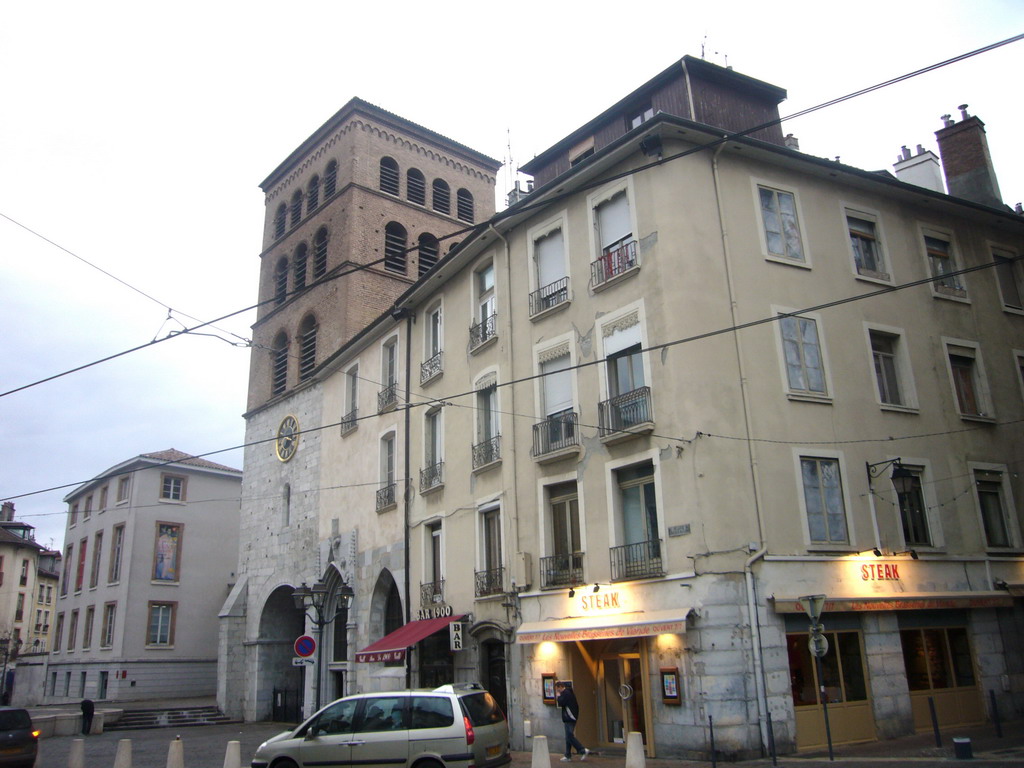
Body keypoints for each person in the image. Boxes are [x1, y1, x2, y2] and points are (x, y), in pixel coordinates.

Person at [555, 681, 590, 762]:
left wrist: (558, 696)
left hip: (569, 717)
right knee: (568, 737)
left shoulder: (566, 694)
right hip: (570, 717)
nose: (557, 691)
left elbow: (561, 702)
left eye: (557, 689)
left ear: (560, 686)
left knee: (569, 736)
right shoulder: (568, 692)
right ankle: (568, 755)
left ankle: (582, 750)